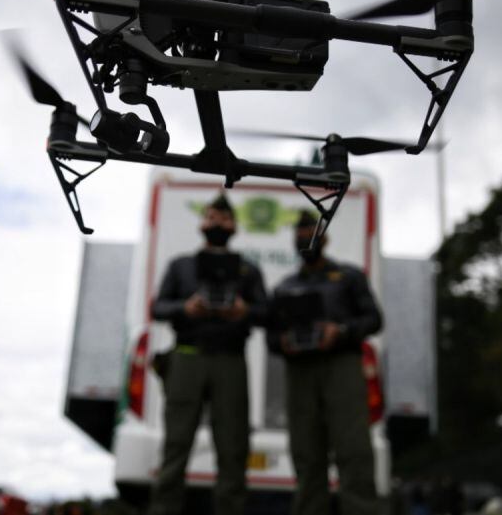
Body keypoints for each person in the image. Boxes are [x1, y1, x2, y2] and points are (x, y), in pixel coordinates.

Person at [148, 193, 267, 515]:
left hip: (230, 359)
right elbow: (157, 307)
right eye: (213, 216)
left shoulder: (248, 270)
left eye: (225, 218)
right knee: (176, 444)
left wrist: (243, 311)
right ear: (203, 222)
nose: (218, 223)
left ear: (235, 226)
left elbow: (267, 314)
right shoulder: (181, 265)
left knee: (233, 447)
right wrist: (186, 308)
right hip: (187, 357)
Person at [268, 210, 384, 515]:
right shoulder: (284, 287)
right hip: (301, 373)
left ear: (324, 238)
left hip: (342, 367)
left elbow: (374, 319)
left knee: (354, 451)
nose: (305, 238)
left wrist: (341, 331)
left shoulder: (349, 277)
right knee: (306, 455)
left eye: (310, 232)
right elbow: (270, 336)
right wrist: (283, 341)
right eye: (300, 234)